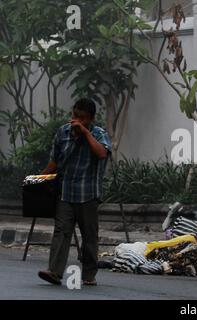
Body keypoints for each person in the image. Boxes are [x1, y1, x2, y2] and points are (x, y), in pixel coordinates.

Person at [38, 98, 112, 286]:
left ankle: (89, 275)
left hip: (88, 194)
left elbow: (102, 154)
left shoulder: (98, 134)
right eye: (75, 116)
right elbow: (55, 160)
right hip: (66, 192)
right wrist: (39, 179)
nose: (77, 120)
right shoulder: (63, 132)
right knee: (61, 231)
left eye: (82, 118)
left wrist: (85, 133)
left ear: (91, 119)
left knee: (89, 236)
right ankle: (54, 271)